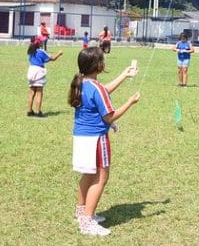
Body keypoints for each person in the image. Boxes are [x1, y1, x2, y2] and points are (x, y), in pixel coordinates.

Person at [70, 47, 140, 236]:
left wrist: (124, 75)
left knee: (88, 174)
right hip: (96, 139)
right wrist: (130, 102)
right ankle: (87, 221)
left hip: (81, 136)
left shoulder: (82, 83)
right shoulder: (97, 88)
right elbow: (110, 116)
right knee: (100, 178)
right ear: (98, 65)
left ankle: (81, 211)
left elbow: (103, 91)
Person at [26, 36, 63, 117]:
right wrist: (59, 53)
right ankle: (38, 112)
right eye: (41, 41)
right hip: (39, 72)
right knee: (39, 92)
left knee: (32, 92)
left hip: (31, 70)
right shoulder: (41, 51)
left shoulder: (30, 51)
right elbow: (52, 58)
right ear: (39, 43)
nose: (43, 42)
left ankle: (29, 111)